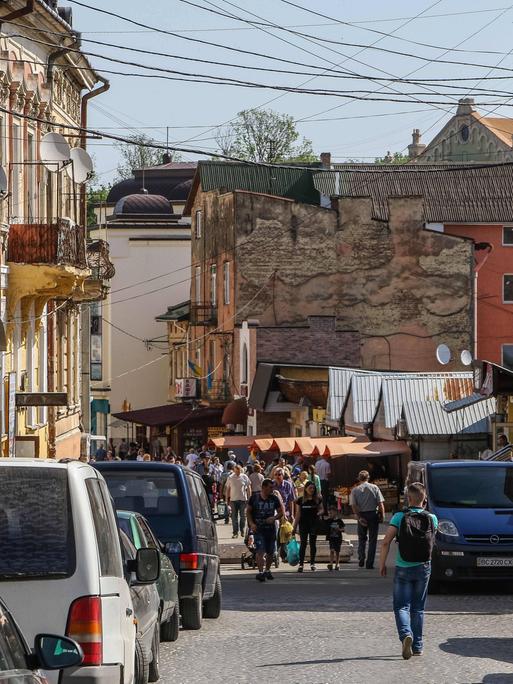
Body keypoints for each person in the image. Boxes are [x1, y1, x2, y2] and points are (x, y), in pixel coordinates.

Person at [379, 482, 438, 660]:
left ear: (408, 499)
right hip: (424, 566)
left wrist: (382, 564)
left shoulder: (398, 517)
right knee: (418, 608)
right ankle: (418, 646)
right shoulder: (432, 518)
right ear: (424, 499)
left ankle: (406, 635)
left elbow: (385, 542)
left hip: (403, 566)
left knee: (401, 606)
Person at [246, 478, 284, 582]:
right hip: (258, 528)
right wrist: (251, 523)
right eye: (270, 487)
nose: (272, 490)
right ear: (263, 487)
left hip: (270, 529)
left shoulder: (274, 498)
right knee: (260, 550)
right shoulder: (254, 498)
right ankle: (260, 572)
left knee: (270, 551)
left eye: (272, 487)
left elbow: (281, 512)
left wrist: (274, 518)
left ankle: (267, 570)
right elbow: (248, 512)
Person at [350, 470, 385, 569]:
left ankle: (361, 557)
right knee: (372, 540)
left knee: (362, 538)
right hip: (373, 514)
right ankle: (369, 563)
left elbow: (353, 505)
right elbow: (380, 504)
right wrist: (382, 515)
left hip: (362, 515)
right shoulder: (374, 488)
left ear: (358, 478)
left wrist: (359, 517)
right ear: (368, 477)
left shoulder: (355, 490)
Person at [293, 481, 322, 572]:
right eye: (310, 488)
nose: (312, 490)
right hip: (303, 524)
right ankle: (301, 564)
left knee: (313, 544)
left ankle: (312, 563)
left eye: (313, 488)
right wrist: (294, 527)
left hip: (313, 524)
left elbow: (322, 509)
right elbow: (298, 514)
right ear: (305, 489)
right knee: (303, 543)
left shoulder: (317, 499)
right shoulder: (300, 500)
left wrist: (319, 512)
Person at [273, 468, 296, 560]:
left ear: (283, 476)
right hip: (274, 513)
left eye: (279, 475)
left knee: (285, 535)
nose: (278, 476)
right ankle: (276, 553)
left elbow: (291, 500)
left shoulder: (288, 485)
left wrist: (292, 514)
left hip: (285, 513)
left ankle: (283, 555)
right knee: (276, 534)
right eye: (276, 475)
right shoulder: (271, 485)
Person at [225, 464, 252, 538]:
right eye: (236, 471)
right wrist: (226, 500)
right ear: (234, 470)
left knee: (243, 517)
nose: (238, 473)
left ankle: (242, 530)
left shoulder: (244, 477)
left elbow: (249, 487)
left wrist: (249, 498)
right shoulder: (230, 477)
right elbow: (227, 489)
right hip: (233, 500)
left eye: (239, 471)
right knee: (234, 517)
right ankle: (235, 532)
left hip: (243, 499)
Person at [326, 506, 345, 571]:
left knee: (337, 551)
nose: (329, 515)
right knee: (331, 550)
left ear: (335, 513)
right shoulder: (328, 521)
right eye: (329, 513)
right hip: (331, 538)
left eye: (331, 513)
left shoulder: (339, 521)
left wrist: (339, 529)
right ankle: (331, 563)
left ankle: (337, 564)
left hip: (338, 538)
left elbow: (343, 529)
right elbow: (324, 527)